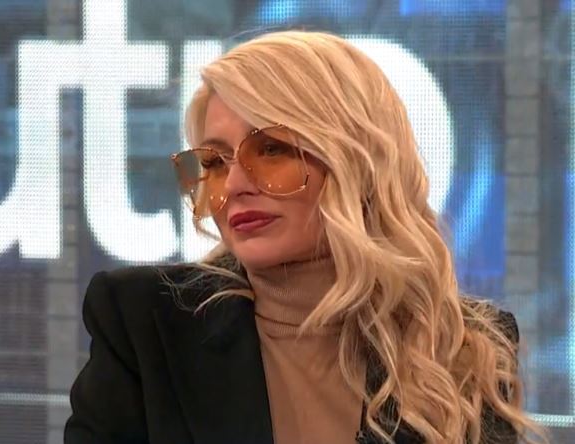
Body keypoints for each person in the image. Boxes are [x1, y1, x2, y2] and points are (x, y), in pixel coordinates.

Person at [64, 31, 548, 444]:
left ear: (355, 161)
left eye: (271, 150)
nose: (234, 185)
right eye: (214, 162)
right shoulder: (143, 322)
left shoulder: (464, 347)